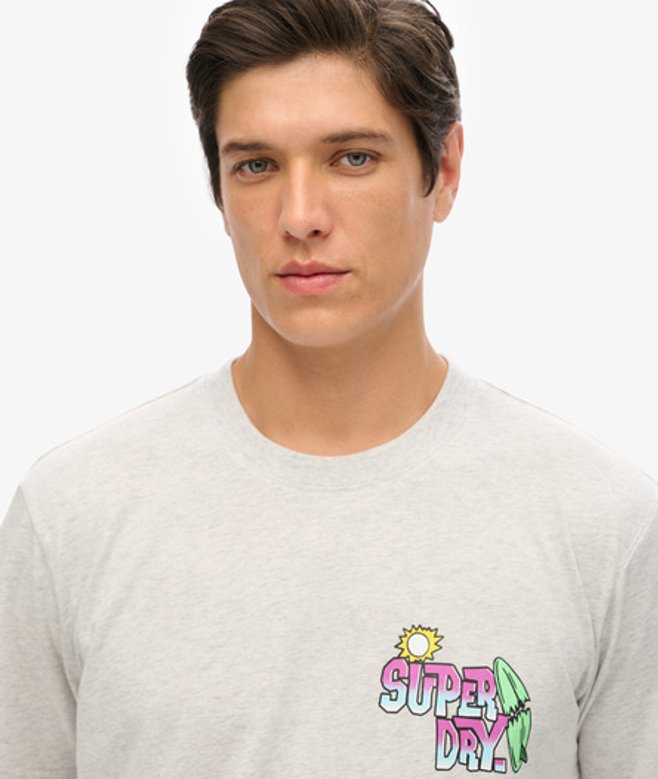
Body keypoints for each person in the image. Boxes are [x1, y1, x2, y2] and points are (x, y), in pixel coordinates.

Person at [1, 0, 656, 776]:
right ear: (218, 189)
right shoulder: (71, 516)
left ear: (444, 170)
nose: (300, 216)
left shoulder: (601, 525)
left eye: (352, 158)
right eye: (257, 165)